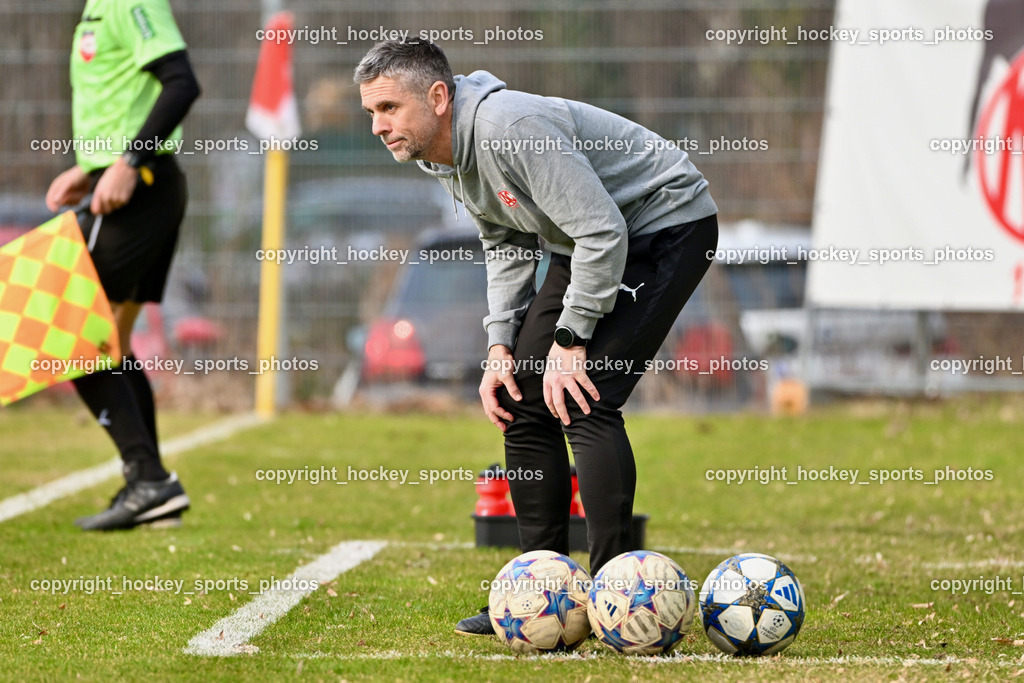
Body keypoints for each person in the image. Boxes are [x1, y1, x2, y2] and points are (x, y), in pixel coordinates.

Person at [354, 39, 718, 635]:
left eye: (389, 108)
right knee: (521, 398)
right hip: (589, 243)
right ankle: (542, 589)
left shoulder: (512, 128)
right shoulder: (440, 154)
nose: (378, 125)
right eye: (371, 112)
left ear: (438, 97)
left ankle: (615, 602)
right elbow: (506, 244)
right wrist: (500, 346)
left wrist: (571, 341)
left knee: (586, 396)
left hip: (664, 227)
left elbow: (604, 231)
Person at [44, 0, 200, 530]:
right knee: (113, 338)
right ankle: (153, 489)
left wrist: (128, 161)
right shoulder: (95, 8)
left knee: (77, 339)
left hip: (141, 191)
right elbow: (121, 102)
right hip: (139, 188)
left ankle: (149, 479)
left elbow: (182, 83)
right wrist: (92, 168)